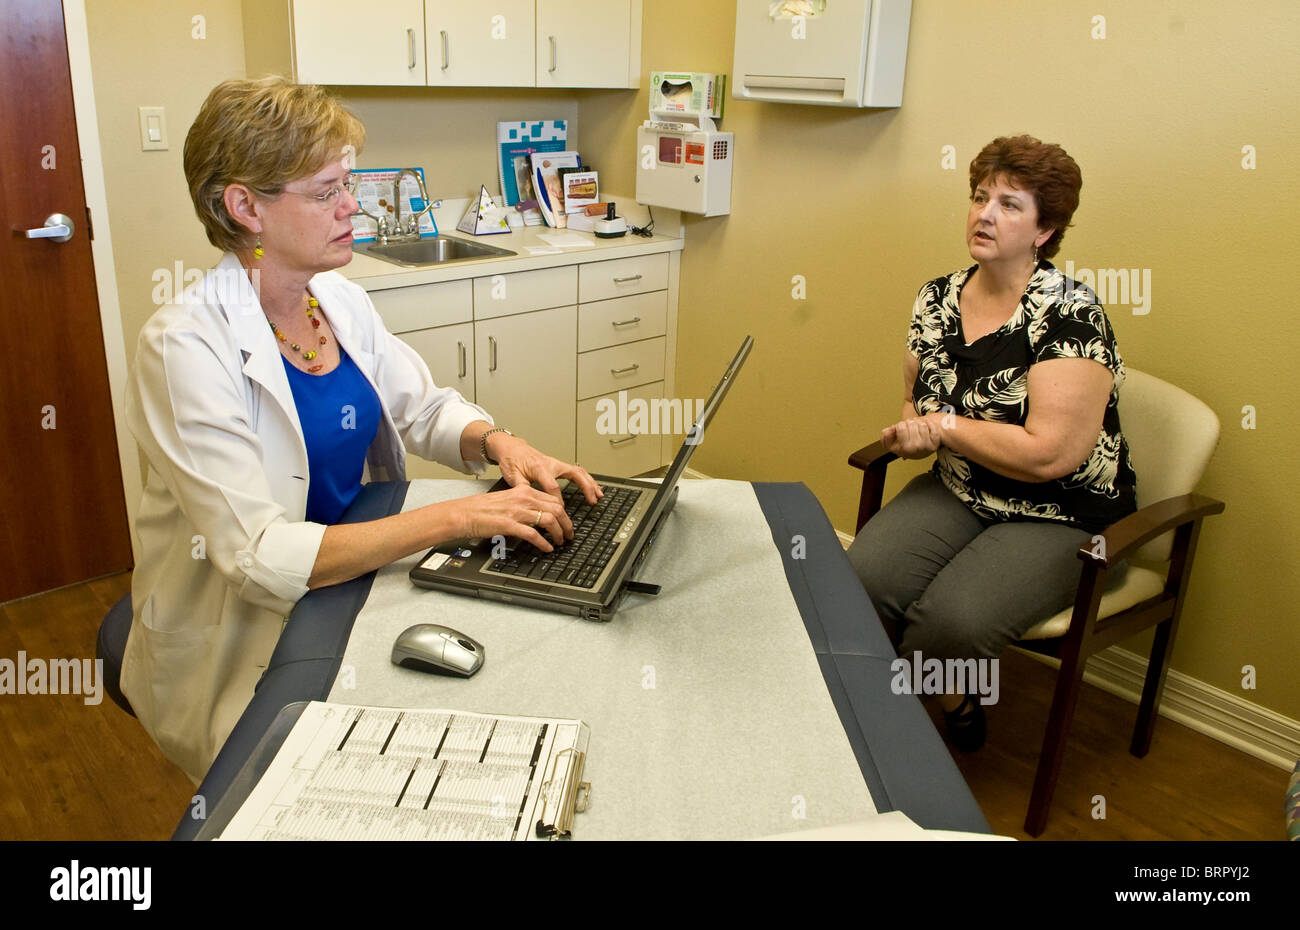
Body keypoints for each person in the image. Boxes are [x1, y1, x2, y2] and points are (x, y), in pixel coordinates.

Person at [121, 76, 601, 782]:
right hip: (244, 628)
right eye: (326, 193)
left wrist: (500, 444)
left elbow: (422, 407)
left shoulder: (335, 298)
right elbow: (257, 558)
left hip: (356, 572)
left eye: (348, 183)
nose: (356, 207)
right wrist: (457, 516)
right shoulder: (184, 346)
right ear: (245, 206)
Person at [847, 135, 1137, 752]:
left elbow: (1050, 455)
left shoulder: (1071, 315)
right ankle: (882, 723)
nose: (984, 213)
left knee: (949, 625)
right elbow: (917, 397)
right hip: (960, 489)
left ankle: (951, 705)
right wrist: (915, 434)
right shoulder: (936, 297)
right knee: (859, 583)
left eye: (1010, 204)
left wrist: (947, 428)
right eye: (980, 197)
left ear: (1045, 229)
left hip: (1060, 513)